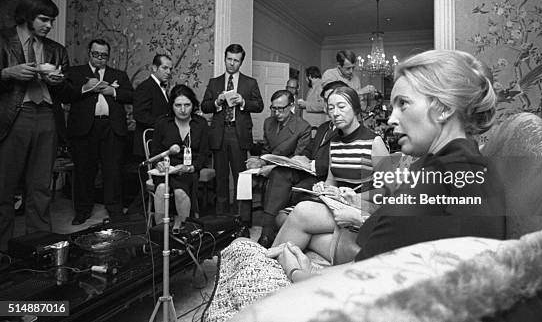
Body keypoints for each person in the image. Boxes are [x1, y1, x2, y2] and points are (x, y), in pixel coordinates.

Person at [205, 50, 503, 321]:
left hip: (358, 286)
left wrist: (300, 274)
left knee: (244, 252)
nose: (392, 117)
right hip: (357, 256)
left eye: (403, 104)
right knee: (263, 244)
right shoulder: (437, 165)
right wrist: (345, 197)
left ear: (442, 109)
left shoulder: (451, 176)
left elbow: (379, 283)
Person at [270, 85, 389, 260]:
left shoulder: (374, 142)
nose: (335, 113)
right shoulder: (335, 142)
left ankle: (268, 261)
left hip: (365, 208)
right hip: (339, 204)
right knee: (299, 222)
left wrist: (354, 198)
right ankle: (274, 264)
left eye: (341, 107)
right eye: (331, 108)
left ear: (355, 109)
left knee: (302, 212)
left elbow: (389, 191)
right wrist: (323, 188)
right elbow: (331, 181)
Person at [0, 0, 71, 251]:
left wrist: (59, 82)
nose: (49, 26)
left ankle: (39, 248)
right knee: (4, 188)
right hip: (14, 117)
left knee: (40, 188)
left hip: (47, 118)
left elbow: (68, 93)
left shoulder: (56, 50)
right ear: (27, 16)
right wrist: (7, 73)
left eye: (52, 21)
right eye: (43, 19)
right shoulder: (3, 39)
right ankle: (3, 252)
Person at [256, 80, 348, 248]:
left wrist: (311, 164)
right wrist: (300, 158)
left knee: (290, 190)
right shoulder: (322, 128)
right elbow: (310, 149)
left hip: (323, 176)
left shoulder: (346, 129)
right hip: (308, 170)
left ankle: (277, 235)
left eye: (332, 102)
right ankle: (266, 232)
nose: (328, 107)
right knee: (278, 173)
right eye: (326, 102)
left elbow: (339, 161)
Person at [66, 39, 134, 225]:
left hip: (112, 128)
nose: (100, 59)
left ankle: (114, 209)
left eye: (104, 55)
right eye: (96, 54)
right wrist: (85, 88)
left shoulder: (118, 74)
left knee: (113, 170)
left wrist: (113, 91)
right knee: (84, 171)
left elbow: (130, 95)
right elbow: (65, 95)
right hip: (85, 128)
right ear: (89, 52)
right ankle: (82, 210)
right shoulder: (76, 72)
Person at [201, 44, 264, 219]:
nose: (232, 63)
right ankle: (221, 218)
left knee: (240, 177)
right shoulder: (214, 82)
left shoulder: (250, 82)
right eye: (229, 59)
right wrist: (217, 101)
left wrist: (243, 101)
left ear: (241, 62)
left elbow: (259, 105)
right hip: (219, 134)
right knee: (220, 178)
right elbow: (204, 106)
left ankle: (240, 217)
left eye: (236, 60)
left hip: (239, 134)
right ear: (225, 58)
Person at [150, 84, 209, 232]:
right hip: (166, 169)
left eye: (187, 105)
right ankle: (160, 232)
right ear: (172, 106)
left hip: (188, 170)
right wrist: (159, 164)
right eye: (178, 105)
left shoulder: (200, 124)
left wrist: (191, 167)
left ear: (193, 105)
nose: (182, 109)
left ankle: (183, 230)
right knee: (162, 187)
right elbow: (155, 153)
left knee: (180, 192)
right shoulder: (162, 123)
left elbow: (203, 154)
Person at [246, 89, 311, 172]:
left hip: (288, 171)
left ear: (291, 106)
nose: (276, 113)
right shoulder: (268, 122)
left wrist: (272, 168)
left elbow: (297, 161)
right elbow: (266, 151)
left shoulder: (303, 127)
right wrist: (260, 162)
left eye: (280, 109)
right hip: (269, 167)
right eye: (274, 108)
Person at [133, 53, 173, 157]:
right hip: (147, 143)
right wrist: (164, 126)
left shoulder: (160, 87)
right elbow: (140, 115)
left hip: (158, 143)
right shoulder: (145, 87)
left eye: (170, 69)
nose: (168, 72)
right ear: (154, 68)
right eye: (165, 68)